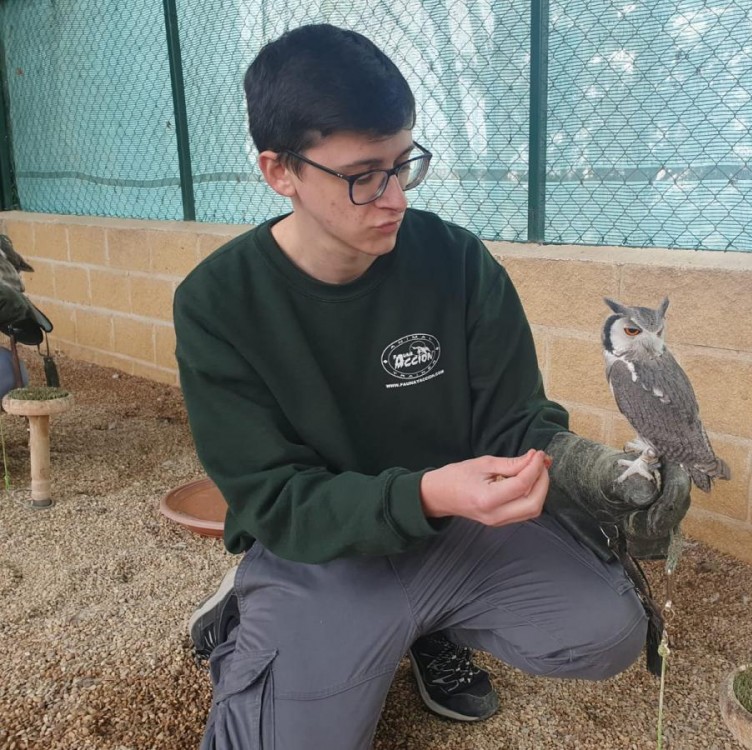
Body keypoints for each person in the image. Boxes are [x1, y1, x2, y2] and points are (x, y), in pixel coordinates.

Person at [174, 23, 690, 750]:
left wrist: (595, 473)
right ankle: (257, 613)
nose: (394, 198)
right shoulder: (219, 303)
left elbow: (515, 421)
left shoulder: (455, 261)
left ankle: (424, 625)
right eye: (363, 176)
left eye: (403, 164)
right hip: (321, 550)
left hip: (457, 528)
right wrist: (426, 493)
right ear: (279, 171)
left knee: (606, 631)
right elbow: (275, 499)